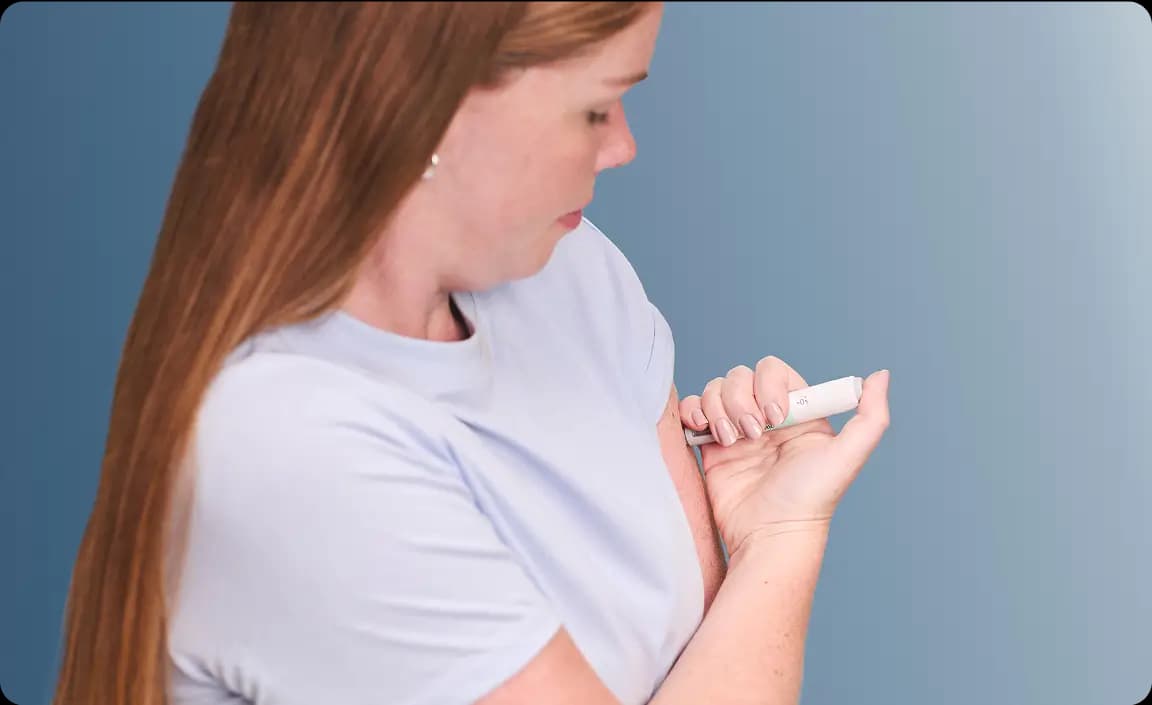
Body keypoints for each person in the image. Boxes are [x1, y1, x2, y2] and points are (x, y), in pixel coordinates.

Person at [51, 2, 891, 704]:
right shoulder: (288, 450)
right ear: (428, 109)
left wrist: (768, 536)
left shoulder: (569, 272)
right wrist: (780, 550)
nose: (623, 146)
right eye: (595, 109)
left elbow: (702, 652)